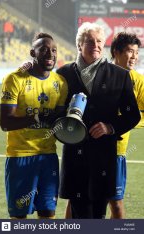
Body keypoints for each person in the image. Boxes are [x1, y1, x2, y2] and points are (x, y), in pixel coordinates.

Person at [56, 22, 140, 219]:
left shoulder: (120, 76)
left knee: (98, 216)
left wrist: (110, 127)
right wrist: (65, 121)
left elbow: (132, 115)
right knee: (78, 214)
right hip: (74, 158)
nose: (95, 44)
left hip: (104, 158)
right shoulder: (63, 74)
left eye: (99, 41)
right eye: (89, 41)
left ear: (105, 45)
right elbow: (53, 113)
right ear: (79, 45)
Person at [0, 32, 68, 219]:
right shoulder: (14, 79)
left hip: (48, 158)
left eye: (54, 50)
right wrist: (37, 118)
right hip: (20, 158)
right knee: (19, 218)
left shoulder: (60, 83)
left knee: (48, 215)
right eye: (44, 49)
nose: (50, 54)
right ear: (32, 52)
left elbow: (59, 121)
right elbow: (5, 123)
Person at [108, 32, 144, 218]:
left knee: (116, 202)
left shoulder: (138, 80)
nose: (134, 57)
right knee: (79, 199)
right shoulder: (100, 73)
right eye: (130, 51)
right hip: (90, 147)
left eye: (137, 52)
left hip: (117, 151)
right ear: (116, 51)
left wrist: (130, 122)